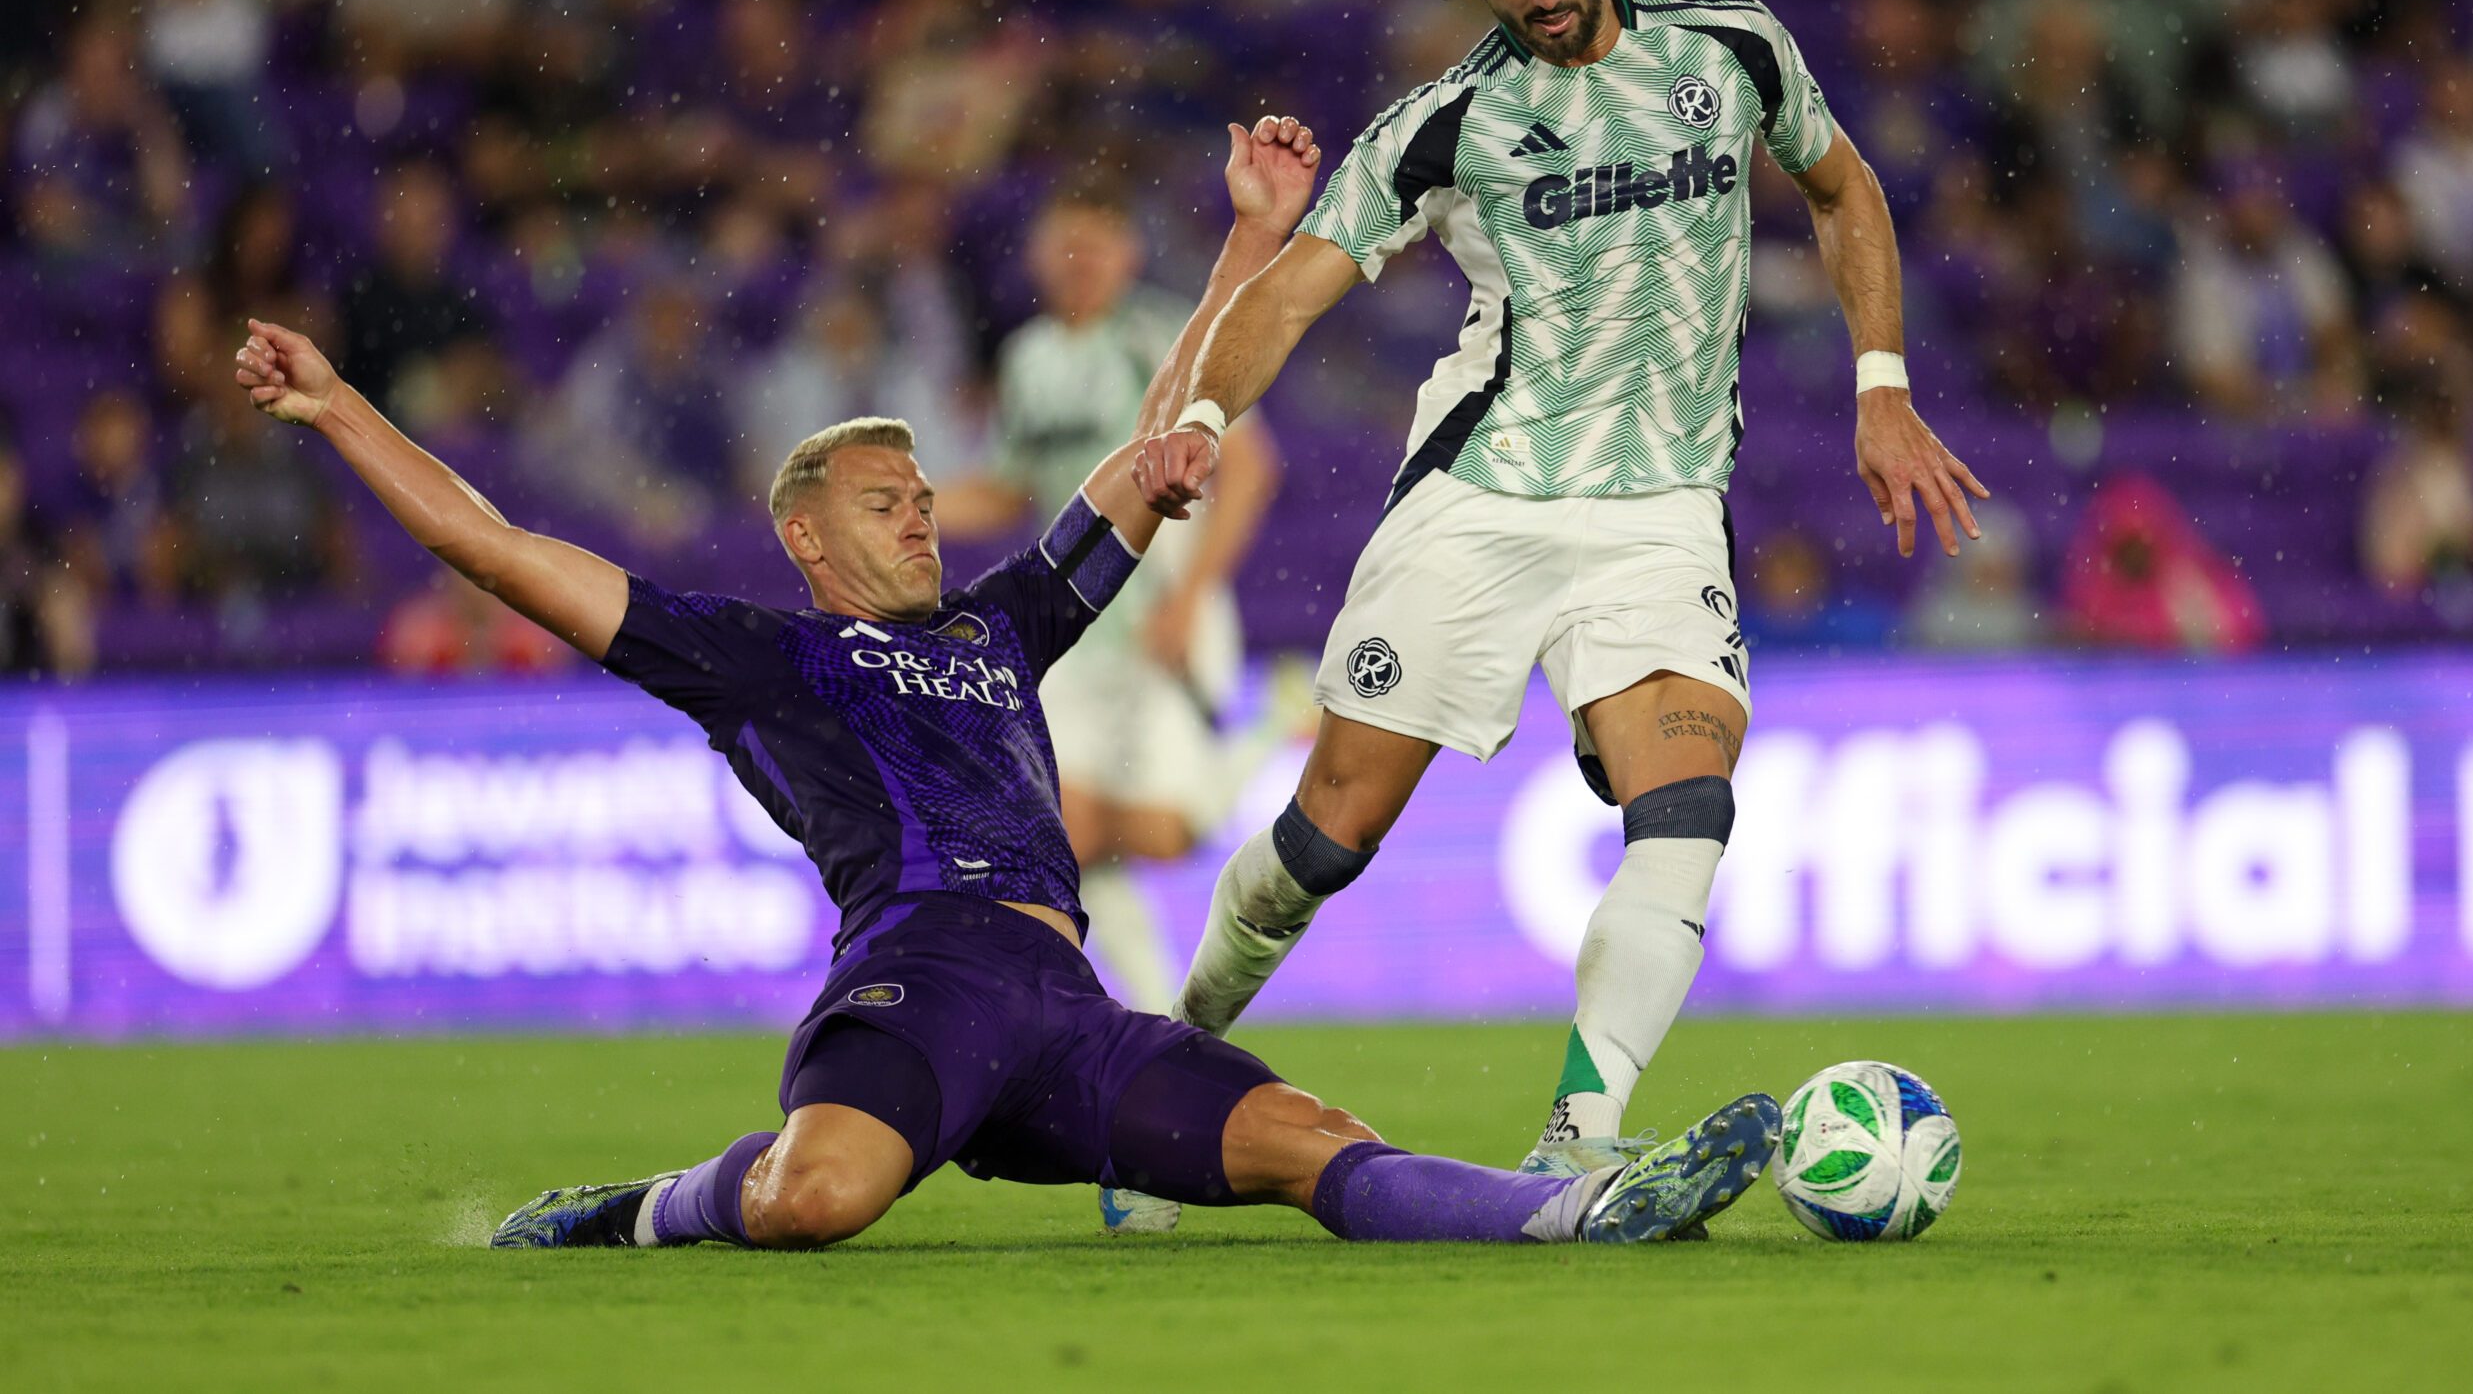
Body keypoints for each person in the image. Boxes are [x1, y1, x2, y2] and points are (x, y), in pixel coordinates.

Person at [227, 118, 1778, 1254]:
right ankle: (642, 1209)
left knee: (1314, 1140)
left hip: (1067, 1013)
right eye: (882, 496)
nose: (916, 509)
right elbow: (500, 549)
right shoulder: (758, 655)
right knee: (815, 1197)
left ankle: (1581, 1202)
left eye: (920, 488)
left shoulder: (999, 627)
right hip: (915, 992)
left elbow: (1142, 447)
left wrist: (1245, 242)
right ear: (803, 530)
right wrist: (342, 403)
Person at [1126, 0, 1987, 1216]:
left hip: (1661, 506)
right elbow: (1288, 290)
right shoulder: (1443, 123)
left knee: (1689, 804)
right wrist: (1205, 423)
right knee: (1327, 838)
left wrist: (1880, 385)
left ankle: (1580, 1133)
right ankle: (1163, 1070)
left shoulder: (1732, 49)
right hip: (1486, 500)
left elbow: (1844, 187)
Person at [939, 177, 1280, 1028]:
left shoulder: (1159, 337)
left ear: (1127, 255)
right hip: (1073, 634)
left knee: (1164, 832)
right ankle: (1151, 1019)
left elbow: (1251, 465)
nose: (1079, 264)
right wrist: (903, 503)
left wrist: (1191, 596)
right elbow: (1013, 489)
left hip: (1160, 617)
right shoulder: (1028, 359)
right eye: (1063, 247)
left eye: (1094, 246)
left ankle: (1279, 723)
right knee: (1065, 832)